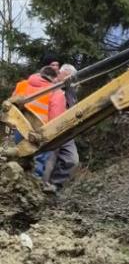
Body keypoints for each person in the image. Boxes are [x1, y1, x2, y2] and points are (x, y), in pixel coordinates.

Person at [37, 64, 80, 192]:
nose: (68, 80)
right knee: (48, 161)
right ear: (60, 74)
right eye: (66, 77)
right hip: (51, 130)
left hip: (66, 132)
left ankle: (55, 186)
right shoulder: (49, 87)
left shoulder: (71, 92)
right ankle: (41, 189)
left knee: (72, 160)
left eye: (71, 78)